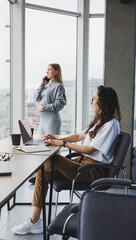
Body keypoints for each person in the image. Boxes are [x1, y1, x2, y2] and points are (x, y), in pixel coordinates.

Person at [13, 85, 121, 235]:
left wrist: (63, 144)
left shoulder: (111, 125)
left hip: (92, 171)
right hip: (82, 163)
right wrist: (57, 139)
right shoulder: (100, 121)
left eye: (93, 99)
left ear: (102, 101)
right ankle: (35, 221)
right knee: (42, 172)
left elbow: (91, 150)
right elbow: (79, 136)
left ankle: (26, 183)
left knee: (51, 160)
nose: (91, 102)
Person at [35, 63, 66, 135]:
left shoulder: (59, 86)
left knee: (51, 145)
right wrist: (42, 84)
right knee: (41, 144)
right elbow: (37, 98)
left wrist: (43, 108)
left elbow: (59, 104)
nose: (47, 72)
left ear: (56, 72)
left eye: (49, 69)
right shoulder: (46, 86)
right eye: (47, 70)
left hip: (51, 121)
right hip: (42, 120)